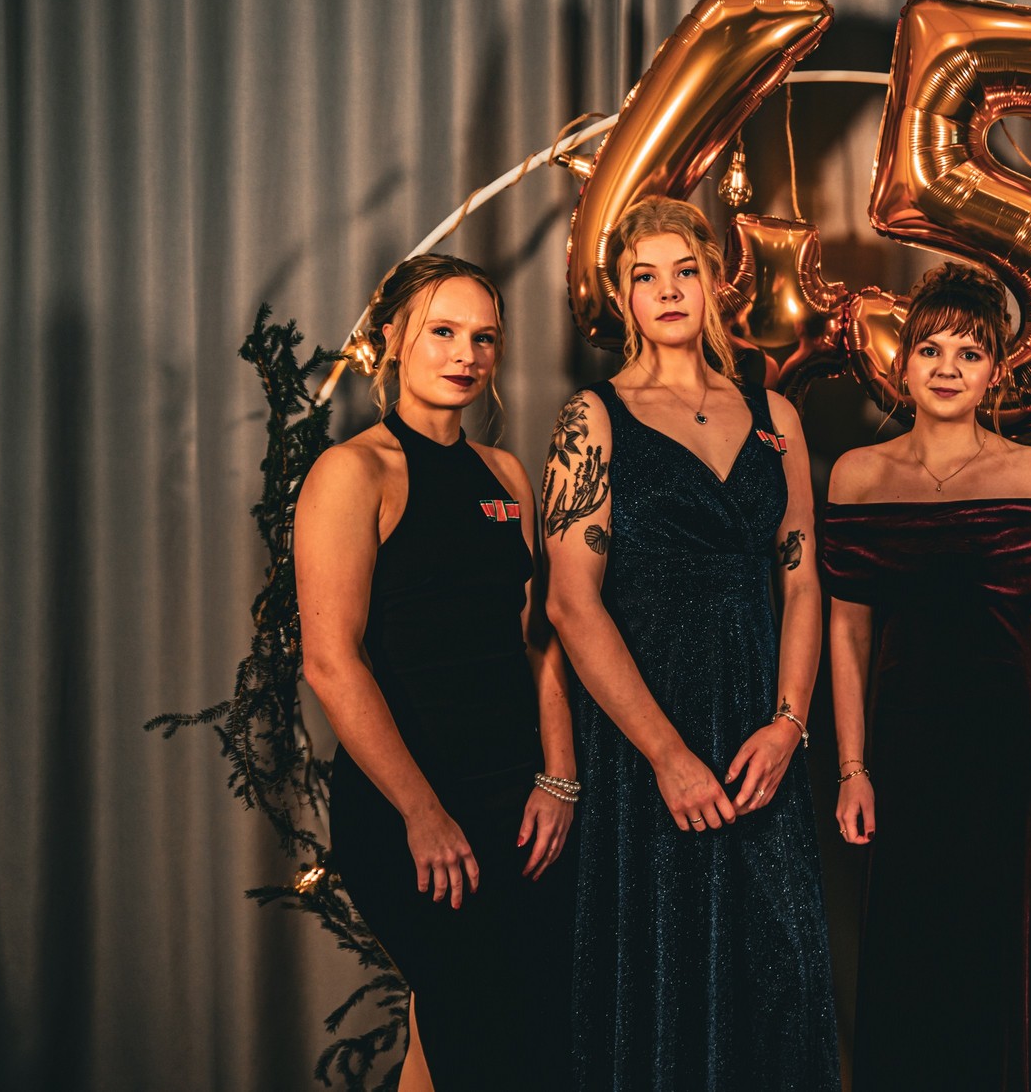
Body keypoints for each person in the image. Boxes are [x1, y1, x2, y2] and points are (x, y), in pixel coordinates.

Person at [543, 196, 839, 1090]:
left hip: (759, 730)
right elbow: (570, 606)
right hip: (645, 736)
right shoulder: (593, 418)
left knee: (780, 976)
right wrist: (666, 755)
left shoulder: (774, 416)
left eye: (685, 271)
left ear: (715, 283)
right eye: (646, 276)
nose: (667, 291)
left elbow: (801, 580)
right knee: (661, 975)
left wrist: (790, 724)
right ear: (623, 297)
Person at [295, 254, 578, 1091]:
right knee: (478, 1036)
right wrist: (421, 812)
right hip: (408, 805)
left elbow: (538, 641)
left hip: (515, 801)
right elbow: (331, 661)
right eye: (442, 332)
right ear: (392, 339)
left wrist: (560, 778)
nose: (465, 354)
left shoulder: (506, 476)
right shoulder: (353, 473)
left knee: (478, 1037)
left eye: (483, 338)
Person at [823, 264, 1031, 1090]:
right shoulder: (857, 474)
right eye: (931, 349)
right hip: (907, 753)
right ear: (901, 363)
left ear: (996, 373)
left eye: (969, 354)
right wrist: (853, 768)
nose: (947, 368)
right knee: (914, 957)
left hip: (1018, 751)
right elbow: (847, 630)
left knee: (1008, 961)